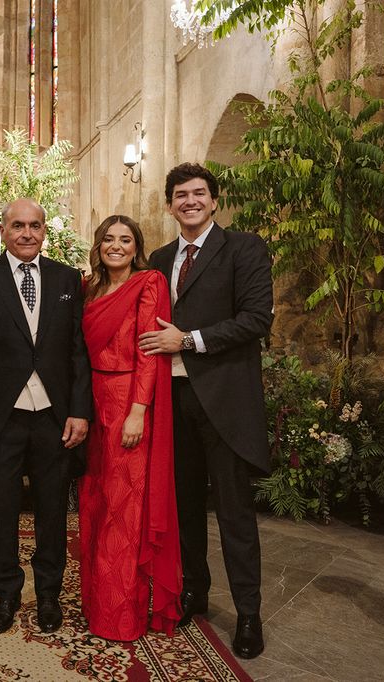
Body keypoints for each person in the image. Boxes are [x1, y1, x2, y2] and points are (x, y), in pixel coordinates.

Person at [139, 163, 273, 659]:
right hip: (171, 400)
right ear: (170, 205)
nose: (189, 201)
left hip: (224, 400)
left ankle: (248, 613)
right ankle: (195, 588)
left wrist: (189, 340)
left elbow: (256, 318)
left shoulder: (244, 248)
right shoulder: (159, 257)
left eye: (198, 193)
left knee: (235, 512)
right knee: (184, 505)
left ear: (214, 201)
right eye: (180, 195)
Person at [0, 198, 92, 634]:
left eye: (35, 226)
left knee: (53, 510)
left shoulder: (68, 279)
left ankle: (49, 595)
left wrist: (79, 411)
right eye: (18, 226)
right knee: (0, 510)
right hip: (1, 419)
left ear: (45, 230)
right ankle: (6, 594)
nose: (27, 233)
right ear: (4, 230)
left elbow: (77, 352)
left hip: (54, 417)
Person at [78, 215, 181, 641]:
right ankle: (97, 603)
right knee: (97, 503)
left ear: (137, 246)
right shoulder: (90, 287)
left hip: (126, 403)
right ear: (98, 244)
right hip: (93, 402)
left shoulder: (149, 282)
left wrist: (139, 410)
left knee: (125, 510)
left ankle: (120, 616)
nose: (115, 246)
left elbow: (149, 353)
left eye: (125, 240)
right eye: (108, 239)